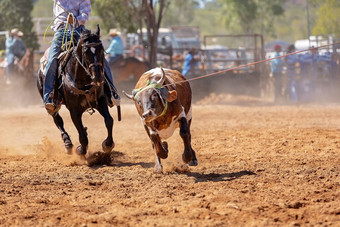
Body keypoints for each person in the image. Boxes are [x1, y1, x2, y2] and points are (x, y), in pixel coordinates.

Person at [43, 0, 119, 115]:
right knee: (52, 60)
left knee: (101, 58)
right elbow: (56, 16)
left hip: (79, 30)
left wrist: (75, 20)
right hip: (61, 31)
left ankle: (112, 92)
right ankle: (49, 97)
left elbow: (84, 15)